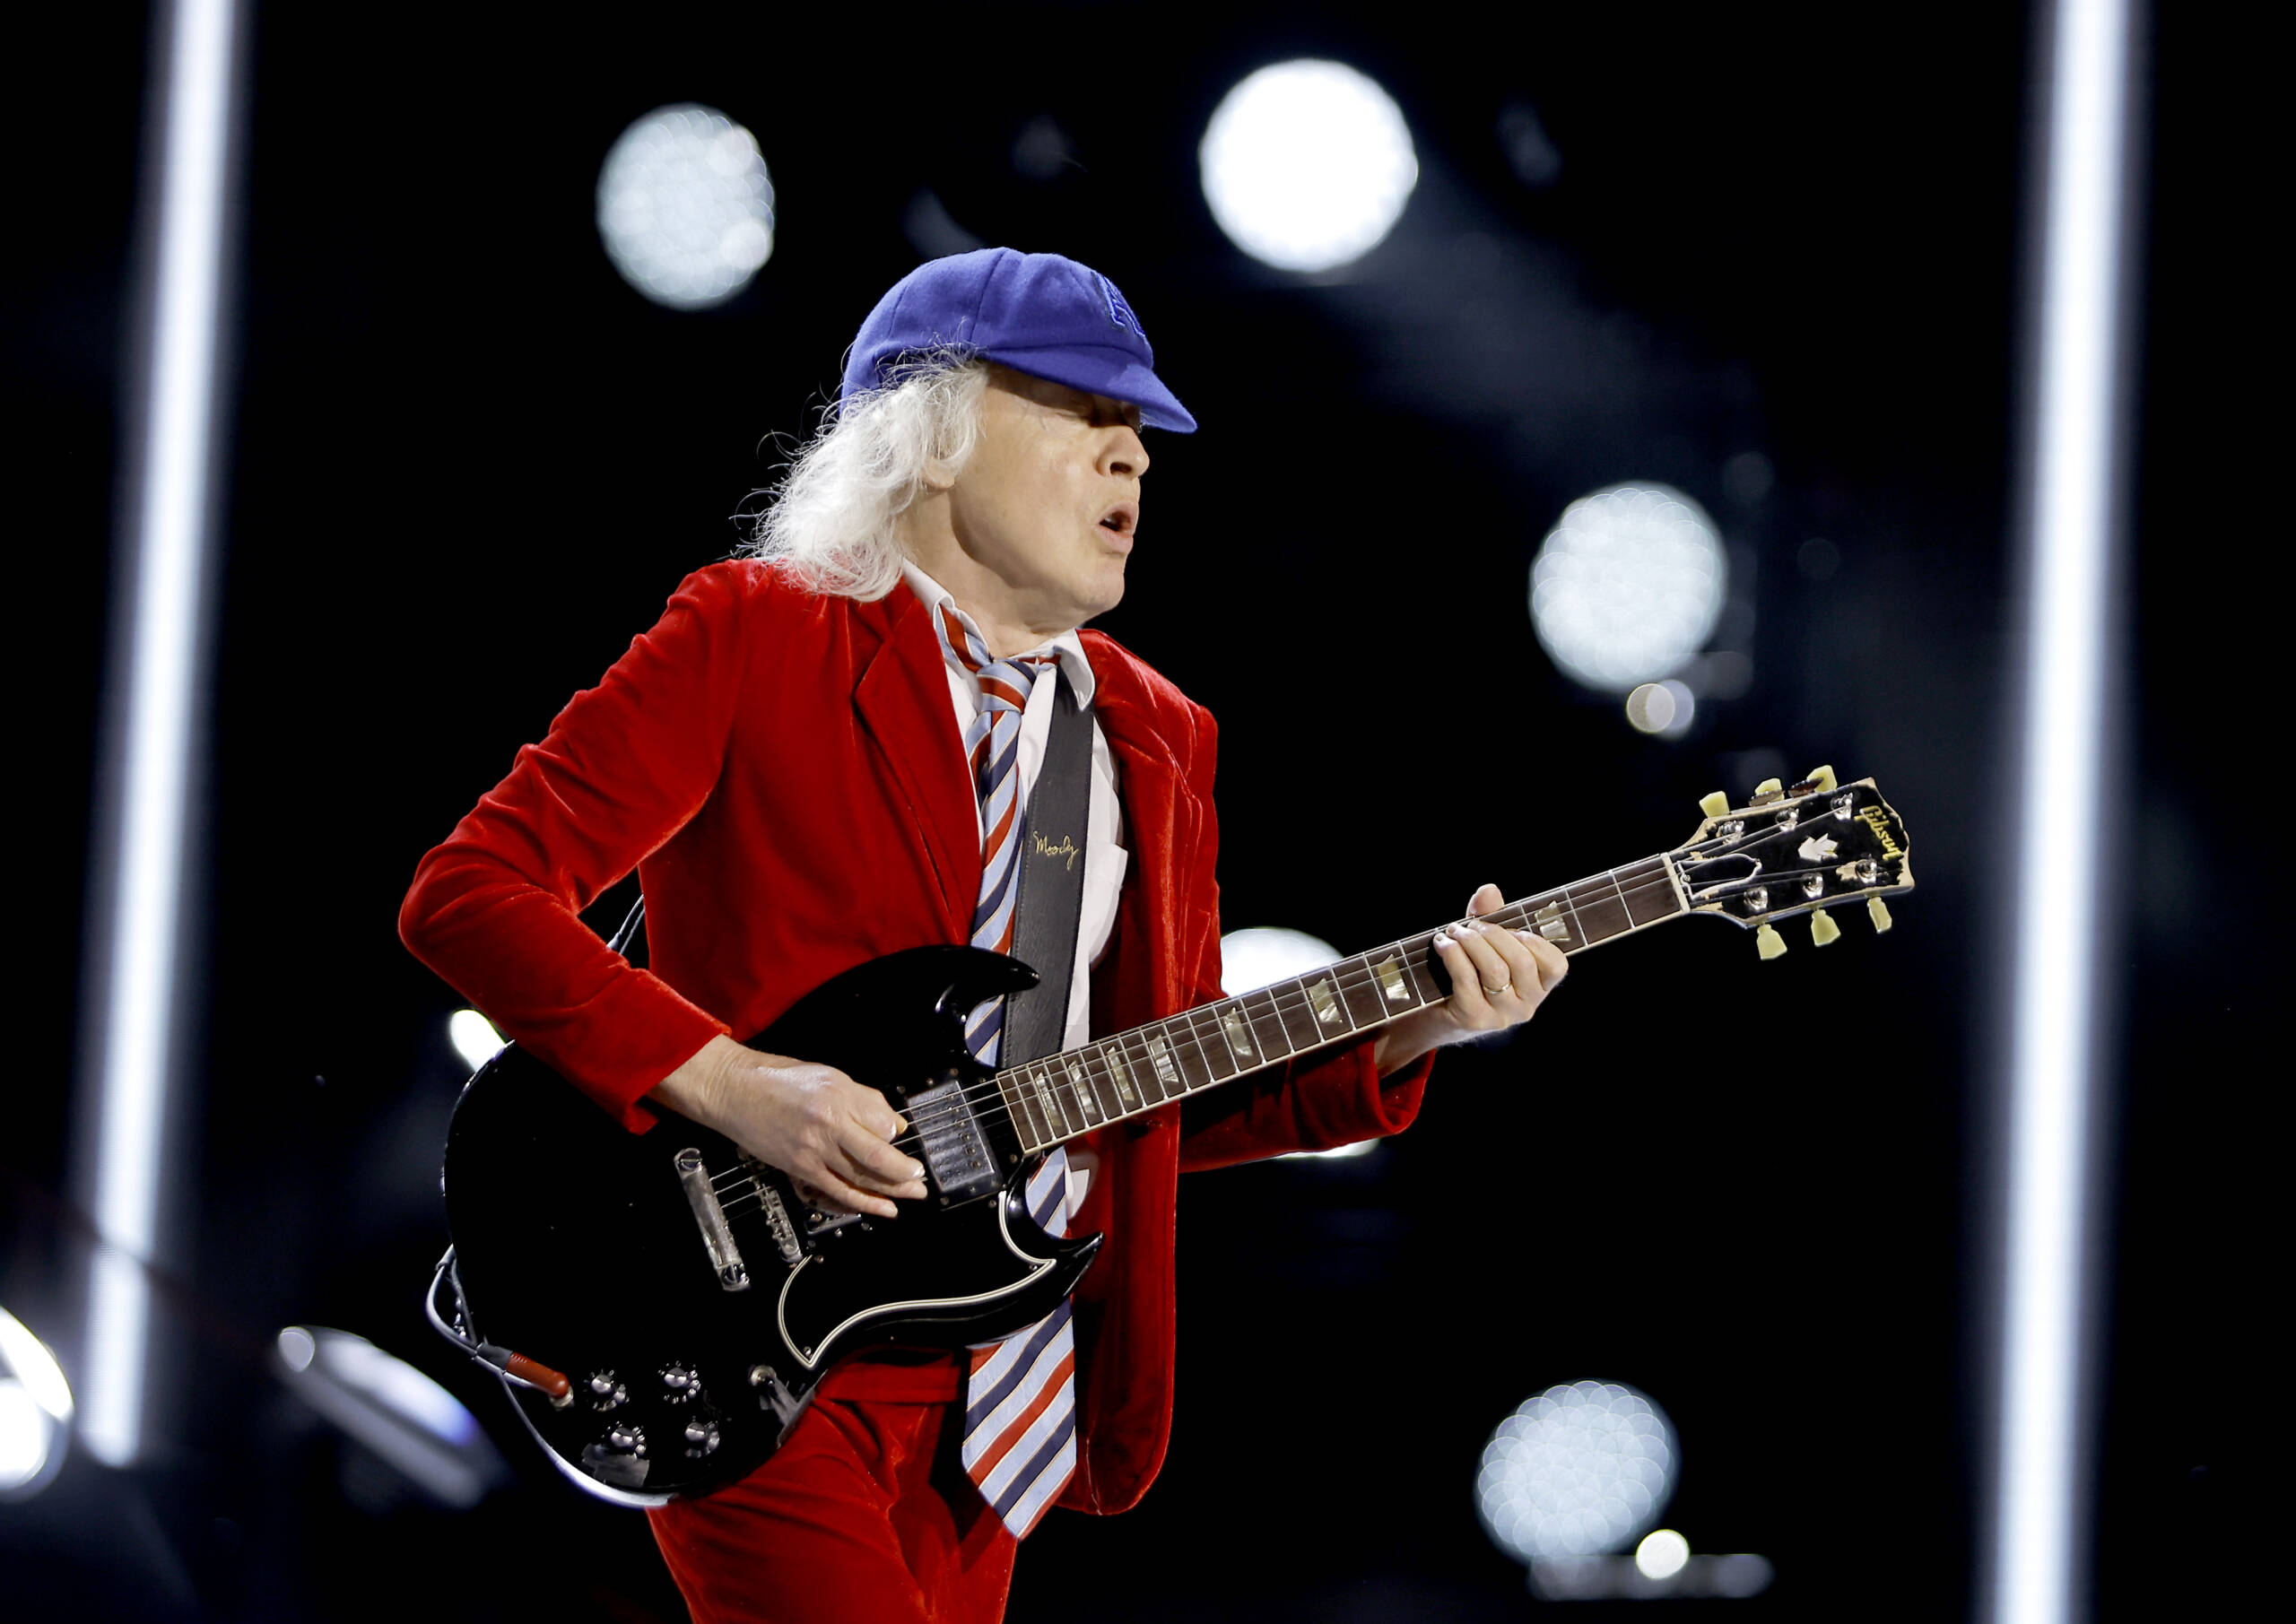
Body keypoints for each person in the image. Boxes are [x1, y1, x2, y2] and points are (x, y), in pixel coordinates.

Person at [399, 248, 1570, 1624]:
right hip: (739, 1336)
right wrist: (740, 1086)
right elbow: (471, 894)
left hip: (1003, 1382)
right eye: (1086, 413)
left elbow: (1157, 1098)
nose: (1134, 455)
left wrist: (1421, 1019)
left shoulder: (1158, 737)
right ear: (935, 432)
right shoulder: (757, 634)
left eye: (1140, 430)